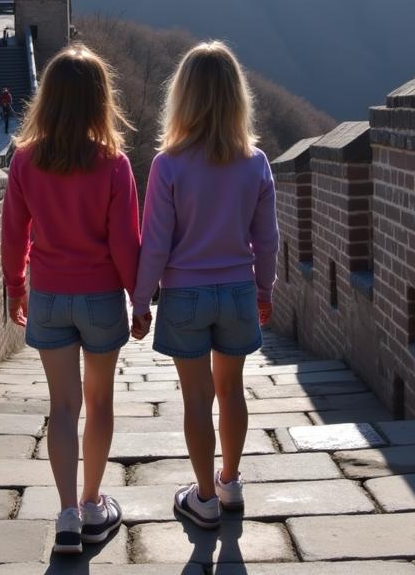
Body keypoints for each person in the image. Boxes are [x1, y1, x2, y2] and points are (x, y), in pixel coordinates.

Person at [130, 41, 278, 529]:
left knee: (196, 399)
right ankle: (231, 481)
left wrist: (141, 300)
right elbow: (267, 238)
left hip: (185, 295)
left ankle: (204, 498)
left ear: (183, 97)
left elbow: (154, 242)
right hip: (237, 291)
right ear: (238, 98)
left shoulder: (169, 165)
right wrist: (264, 290)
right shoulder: (255, 162)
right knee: (231, 391)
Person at [2, 44, 141, 555]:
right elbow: (127, 241)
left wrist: (16, 286)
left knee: (62, 406)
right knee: (99, 401)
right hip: (101, 296)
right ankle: (91, 503)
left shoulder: (24, 161)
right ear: (100, 101)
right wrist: (139, 298)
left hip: (50, 296)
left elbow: (14, 232)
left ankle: (64, 516)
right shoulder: (113, 165)